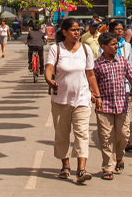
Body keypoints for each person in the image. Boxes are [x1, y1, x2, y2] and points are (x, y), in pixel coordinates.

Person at [45, 17, 101, 183]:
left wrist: (97, 95)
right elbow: (49, 68)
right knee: (62, 135)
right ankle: (65, 164)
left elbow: (90, 74)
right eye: (73, 30)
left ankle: (81, 169)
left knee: (82, 134)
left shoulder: (85, 50)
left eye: (78, 30)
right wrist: (49, 80)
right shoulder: (56, 49)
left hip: (82, 99)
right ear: (64, 32)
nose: (77, 33)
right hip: (60, 100)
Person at [94, 32, 132, 180]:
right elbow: (92, 82)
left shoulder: (122, 61)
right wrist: (95, 96)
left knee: (122, 135)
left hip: (122, 105)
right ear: (104, 47)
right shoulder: (97, 64)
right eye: (113, 44)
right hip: (104, 106)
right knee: (106, 137)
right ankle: (108, 167)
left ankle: (119, 157)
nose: (116, 47)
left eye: (117, 44)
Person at [108, 19, 132, 152]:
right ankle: (113, 138)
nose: (119, 32)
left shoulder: (127, 46)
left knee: (124, 113)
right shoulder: (106, 45)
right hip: (110, 84)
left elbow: (130, 64)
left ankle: (125, 139)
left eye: (121, 29)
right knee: (112, 113)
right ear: (111, 31)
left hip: (124, 84)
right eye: (116, 29)